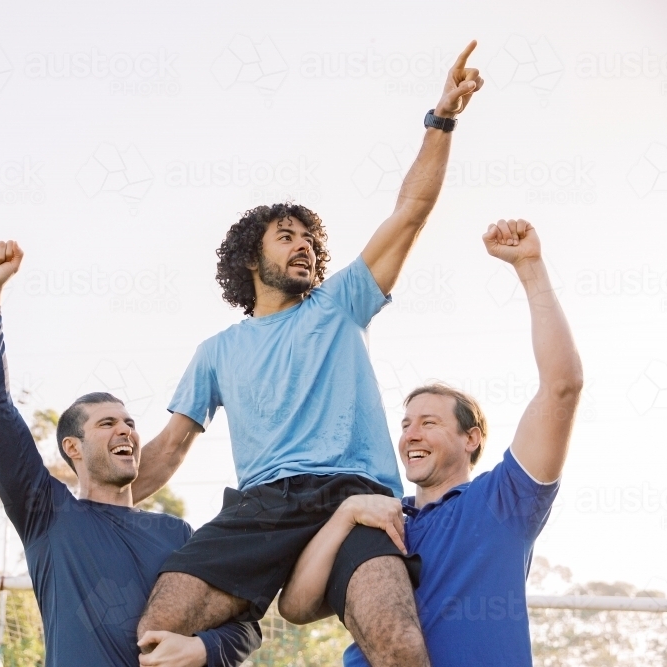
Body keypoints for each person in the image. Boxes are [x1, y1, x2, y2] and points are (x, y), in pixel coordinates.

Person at [133, 41, 485, 667]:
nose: (303, 248)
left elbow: (411, 211)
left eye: (309, 241)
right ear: (251, 258)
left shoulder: (340, 302)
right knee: (157, 629)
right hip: (263, 506)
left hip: (358, 497)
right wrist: (72, 496)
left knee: (400, 645)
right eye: (285, 236)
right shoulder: (217, 351)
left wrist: (442, 119)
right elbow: (164, 455)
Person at [278, 219, 583, 667]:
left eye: (428, 422)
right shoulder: (377, 517)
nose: (410, 435)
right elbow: (297, 607)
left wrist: (530, 268)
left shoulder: (504, 500)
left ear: (471, 438)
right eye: (405, 424)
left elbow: (563, 385)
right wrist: (345, 515)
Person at [0, 239, 261, 667]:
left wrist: (202, 648)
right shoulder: (47, 516)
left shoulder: (176, 534)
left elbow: (244, 624)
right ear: (74, 448)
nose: (125, 430)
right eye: (107, 423)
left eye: (130, 423)